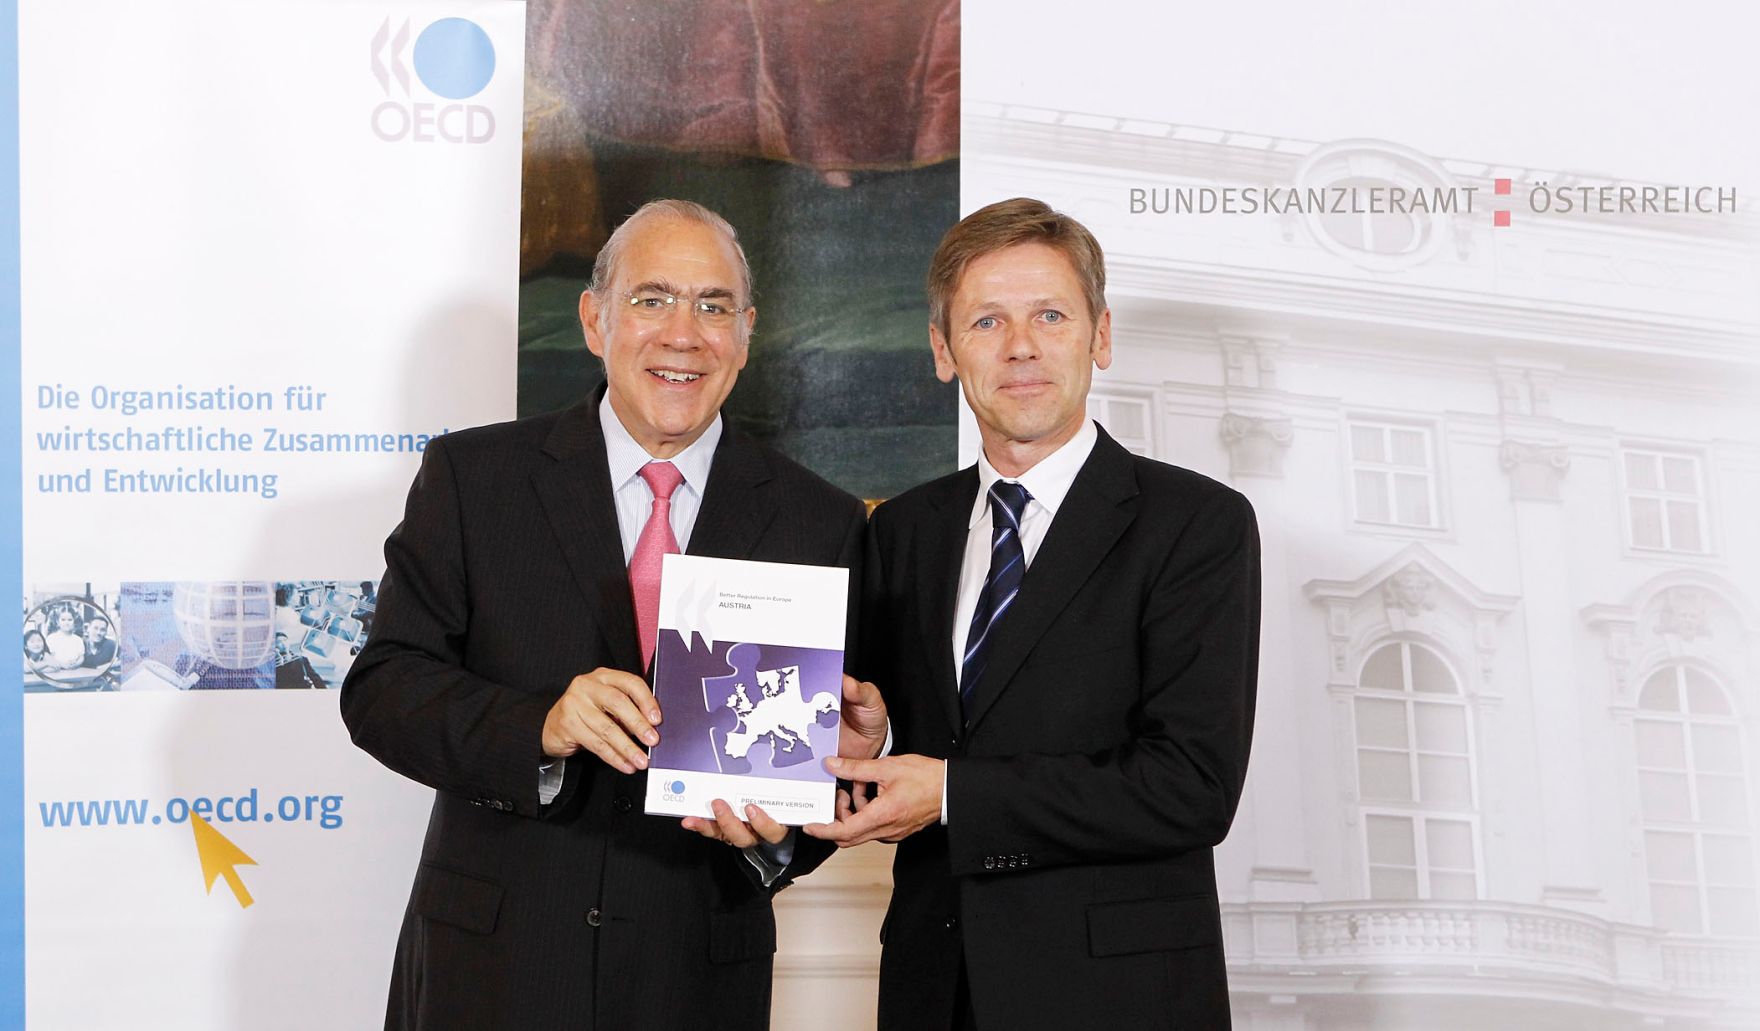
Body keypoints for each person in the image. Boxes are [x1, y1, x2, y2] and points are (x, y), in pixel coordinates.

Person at [341, 199, 882, 1031]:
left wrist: (800, 813)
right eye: (652, 298)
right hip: (490, 973)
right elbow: (381, 690)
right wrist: (542, 724)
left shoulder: (823, 522)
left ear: (745, 334)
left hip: (692, 981)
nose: (683, 333)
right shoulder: (475, 479)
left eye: (713, 306)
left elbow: (804, 798)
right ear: (595, 320)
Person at [806, 198, 1261, 1029]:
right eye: (986, 321)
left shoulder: (1197, 524)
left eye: (1050, 314)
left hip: (1117, 999)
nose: (1021, 345)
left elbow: (1191, 787)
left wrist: (951, 795)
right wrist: (862, 747)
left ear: (1101, 336)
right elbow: (883, 758)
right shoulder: (903, 530)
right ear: (944, 351)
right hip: (931, 988)